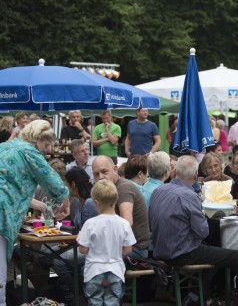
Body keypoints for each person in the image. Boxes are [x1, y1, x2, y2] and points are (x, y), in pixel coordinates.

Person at [149, 155, 238, 305]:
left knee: (215, 251)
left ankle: (199, 295)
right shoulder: (189, 196)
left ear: (174, 172)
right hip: (182, 253)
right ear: (196, 175)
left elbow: (151, 223)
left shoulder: (159, 191)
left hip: (160, 250)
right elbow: (203, 232)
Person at [0, 120, 70, 304]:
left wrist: (44, 207)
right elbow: (54, 182)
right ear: (37, 139)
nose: (47, 150)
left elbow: (13, 190)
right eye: (46, 145)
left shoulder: (6, 146)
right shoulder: (29, 151)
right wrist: (66, 200)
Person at [77, 179, 136, 306]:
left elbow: (83, 250)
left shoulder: (90, 224)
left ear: (96, 202)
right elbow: (128, 250)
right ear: (116, 200)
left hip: (94, 271)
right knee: (113, 302)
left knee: (94, 302)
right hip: (115, 270)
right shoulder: (124, 224)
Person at [52, 167, 98, 297]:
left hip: (92, 249)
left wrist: (72, 242)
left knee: (58, 261)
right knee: (48, 254)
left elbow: (90, 236)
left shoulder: (89, 203)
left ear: (73, 184)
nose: (66, 188)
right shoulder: (77, 202)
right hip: (80, 244)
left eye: (67, 185)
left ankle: (77, 295)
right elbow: (79, 230)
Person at [92, 156, 150, 258]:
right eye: (96, 174)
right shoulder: (105, 190)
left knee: (81, 264)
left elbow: (127, 222)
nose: (100, 177)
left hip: (135, 250)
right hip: (117, 247)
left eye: (104, 172)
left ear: (115, 169)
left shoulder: (123, 187)